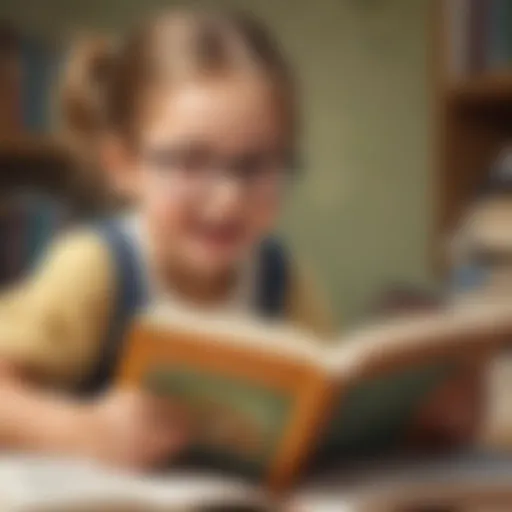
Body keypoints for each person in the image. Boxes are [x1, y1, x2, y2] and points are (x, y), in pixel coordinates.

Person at [0, 8, 480, 471]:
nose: (228, 199)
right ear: (123, 164)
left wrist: (420, 426)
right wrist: (83, 431)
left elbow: (321, 424)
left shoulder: (283, 280)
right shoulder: (95, 268)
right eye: (190, 161)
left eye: (256, 165)